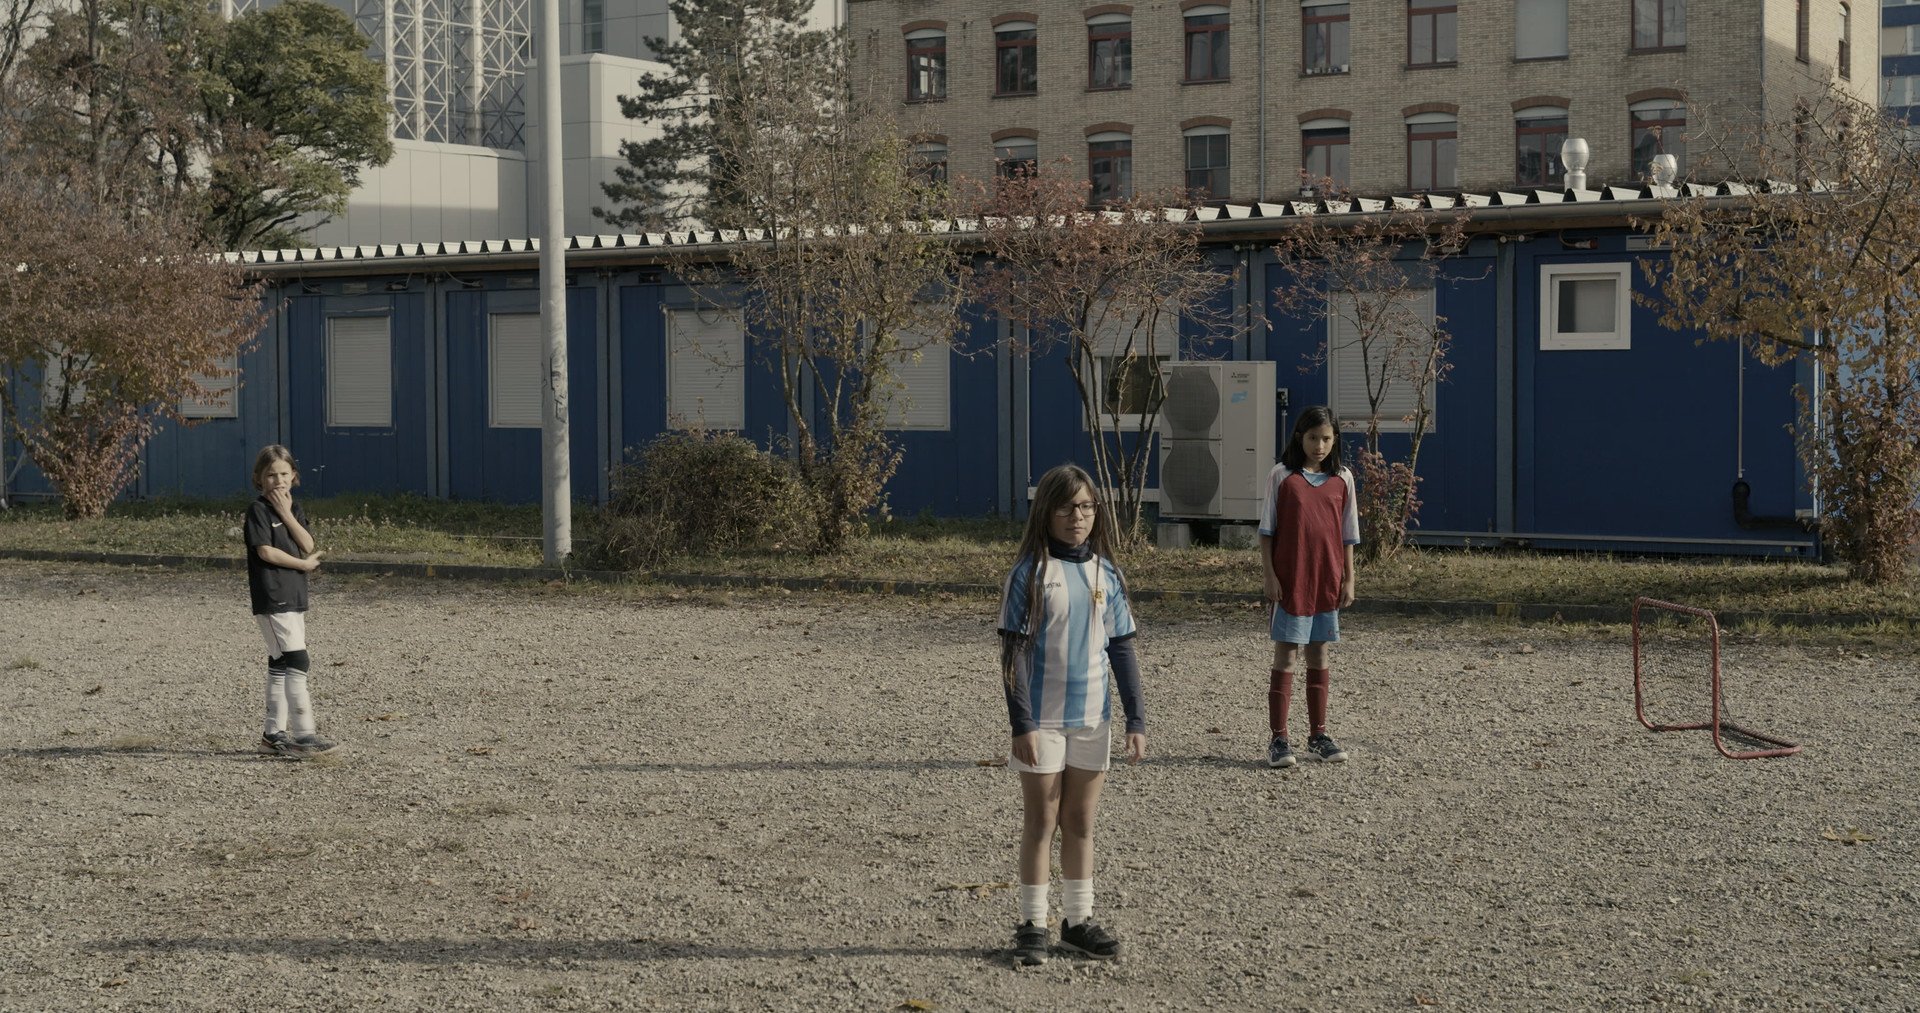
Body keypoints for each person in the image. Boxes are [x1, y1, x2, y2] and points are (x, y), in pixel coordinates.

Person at [997, 464, 1146, 967]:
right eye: (1065, 507)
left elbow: (1122, 648)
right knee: (1041, 821)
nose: (1076, 516)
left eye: (1085, 507)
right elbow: (1013, 654)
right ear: (1046, 512)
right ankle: (1032, 924)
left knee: (1080, 822)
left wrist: (1135, 720)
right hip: (1041, 720)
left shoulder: (1107, 573)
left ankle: (1077, 922)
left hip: (1092, 718)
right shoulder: (1030, 574)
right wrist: (1022, 724)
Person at [1257, 406, 1359, 769]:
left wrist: (1349, 578)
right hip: (1290, 581)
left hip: (1326, 580)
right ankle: (1279, 739)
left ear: (1335, 441)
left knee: (1320, 654)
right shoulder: (1282, 476)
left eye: (1327, 439)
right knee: (1286, 656)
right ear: (1300, 436)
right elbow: (1267, 531)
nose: (1320, 445)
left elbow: (1348, 534)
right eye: (1313, 437)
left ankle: (1318, 735)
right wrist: (1270, 575)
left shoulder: (1343, 478)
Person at [244, 445, 339, 758]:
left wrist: (286, 513)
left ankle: (272, 736)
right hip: (273, 596)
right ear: (259, 478)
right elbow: (266, 552)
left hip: (293, 595)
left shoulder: (293, 509)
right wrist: (303, 565)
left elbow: (307, 542)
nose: (278, 480)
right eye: (271, 475)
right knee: (298, 660)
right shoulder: (257, 511)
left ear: (294, 476)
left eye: (284, 474)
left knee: (281, 662)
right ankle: (303, 735)